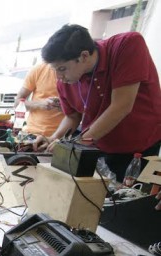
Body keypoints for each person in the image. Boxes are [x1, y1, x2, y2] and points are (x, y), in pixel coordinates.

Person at [33, 24, 161, 182]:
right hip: (97, 147)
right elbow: (73, 117)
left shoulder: (127, 45)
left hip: (139, 150)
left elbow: (121, 106)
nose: (58, 77)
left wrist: (75, 144)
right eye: (54, 70)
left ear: (84, 56)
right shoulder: (65, 82)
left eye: (62, 69)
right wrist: (53, 138)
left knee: (130, 196)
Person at [14, 62, 63, 139]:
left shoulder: (75, 71)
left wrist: (67, 106)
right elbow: (17, 103)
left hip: (63, 137)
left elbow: (78, 112)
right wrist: (39, 104)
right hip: (33, 134)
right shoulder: (38, 69)